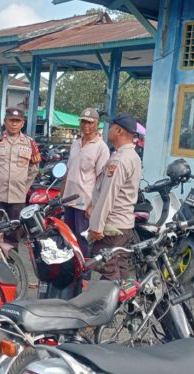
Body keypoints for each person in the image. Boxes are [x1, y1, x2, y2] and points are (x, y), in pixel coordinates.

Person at [88, 112, 143, 281]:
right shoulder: (131, 156)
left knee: (109, 270)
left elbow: (108, 196)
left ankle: (111, 305)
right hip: (123, 225)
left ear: (119, 131)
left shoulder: (119, 160)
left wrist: (96, 226)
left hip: (113, 226)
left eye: (111, 127)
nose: (108, 129)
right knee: (120, 267)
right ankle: (128, 305)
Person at [0, 107, 41, 246]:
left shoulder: (30, 143)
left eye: (17, 121)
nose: (14, 124)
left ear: (22, 123)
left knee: (13, 235)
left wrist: (23, 188)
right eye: (11, 120)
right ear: (5, 121)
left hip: (17, 198)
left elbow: (34, 169)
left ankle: (12, 262)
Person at [60, 108, 110, 282]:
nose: (86, 126)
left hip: (84, 203)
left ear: (97, 125)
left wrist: (92, 206)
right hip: (69, 200)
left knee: (82, 243)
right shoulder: (76, 143)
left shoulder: (101, 148)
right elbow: (68, 170)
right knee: (69, 239)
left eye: (90, 122)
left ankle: (85, 279)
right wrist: (61, 193)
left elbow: (101, 180)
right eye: (83, 122)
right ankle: (71, 275)